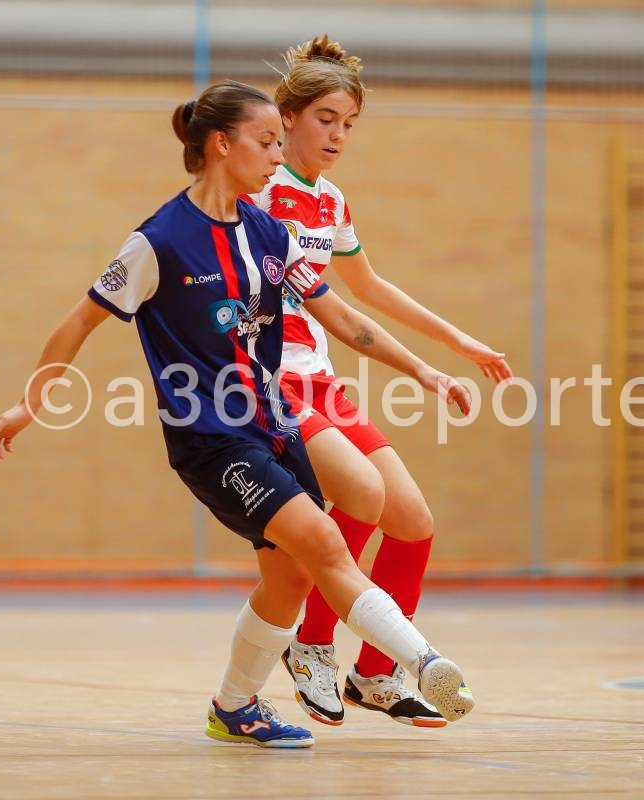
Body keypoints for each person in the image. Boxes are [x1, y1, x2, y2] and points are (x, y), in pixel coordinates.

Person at [0, 80, 476, 749]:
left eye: (278, 142)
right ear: (221, 144)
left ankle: (233, 708)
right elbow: (78, 322)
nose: (277, 156)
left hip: (274, 425)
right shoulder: (159, 242)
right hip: (211, 438)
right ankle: (424, 661)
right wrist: (27, 404)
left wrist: (424, 370)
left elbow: (344, 317)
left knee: (292, 576)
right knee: (326, 541)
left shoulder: (269, 233)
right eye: (267, 142)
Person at [248, 35, 512, 728]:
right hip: (271, 382)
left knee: (414, 522)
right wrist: (422, 370)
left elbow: (367, 285)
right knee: (360, 498)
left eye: (349, 123)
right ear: (290, 117)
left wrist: (456, 341)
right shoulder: (261, 192)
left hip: (322, 379)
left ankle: (374, 673)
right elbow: (336, 311)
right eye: (326, 118)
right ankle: (309, 647)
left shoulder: (329, 200)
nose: (338, 135)